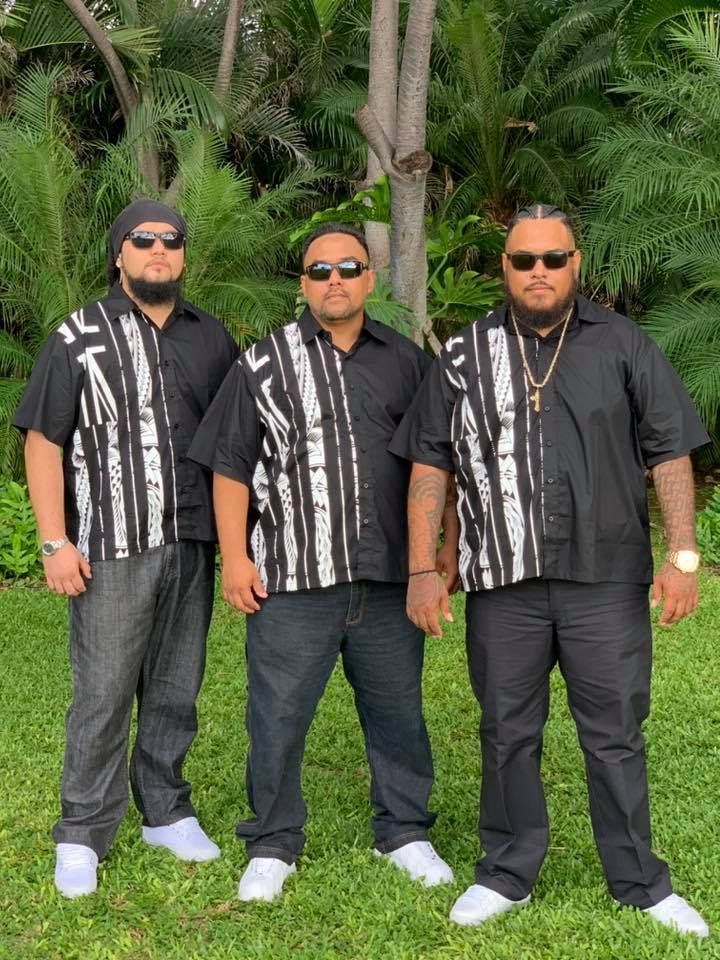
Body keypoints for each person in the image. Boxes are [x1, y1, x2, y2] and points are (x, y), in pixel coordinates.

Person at [390, 204, 710, 937]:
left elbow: (669, 451)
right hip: (503, 585)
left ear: (576, 265)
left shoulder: (624, 344)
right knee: (506, 729)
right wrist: (421, 569)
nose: (539, 272)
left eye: (553, 259)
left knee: (616, 731)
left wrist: (683, 555)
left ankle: (639, 882)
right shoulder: (466, 354)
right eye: (523, 260)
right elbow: (429, 464)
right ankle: (505, 872)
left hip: (605, 581)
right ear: (503, 268)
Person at [189, 223, 456, 902]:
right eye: (319, 270)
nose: (333, 279)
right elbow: (230, 468)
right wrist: (234, 558)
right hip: (292, 580)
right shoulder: (262, 364)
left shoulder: (406, 362)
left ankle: (404, 831)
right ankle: (273, 840)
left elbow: (435, 463)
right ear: (302, 283)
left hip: (389, 577)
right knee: (277, 714)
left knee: (398, 710)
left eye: (348, 267)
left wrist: (441, 550)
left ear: (369, 278)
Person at [14, 199, 238, 898]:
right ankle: (81, 830)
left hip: (192, 543)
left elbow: (235, 441)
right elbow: (43, 441)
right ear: (120, 254)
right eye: (143, 240)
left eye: (172, 240)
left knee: (176, 688)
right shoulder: (78, 336)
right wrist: (55, 541)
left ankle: (164, 811)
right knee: (103, 692)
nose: (158, 251)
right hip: (111, 547)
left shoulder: (211, 337)